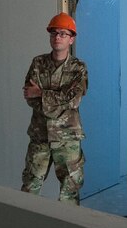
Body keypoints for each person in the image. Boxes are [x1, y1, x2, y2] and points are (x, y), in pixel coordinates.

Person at [21, 12, 89, 204]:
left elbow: (74, 100)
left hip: (67, 139)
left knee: (70, 191)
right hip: (40, 135)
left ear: (71, 39)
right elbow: (29, 96)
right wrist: (58, 101)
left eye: (63, 34)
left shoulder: (78, 68)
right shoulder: (38, 63)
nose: (57, 37)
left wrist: (42, 94)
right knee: (29, 187)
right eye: (54, 33)